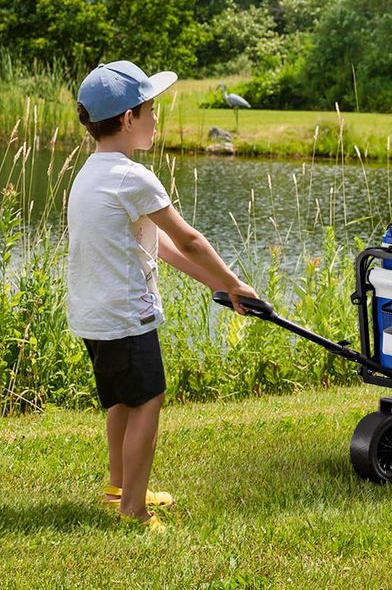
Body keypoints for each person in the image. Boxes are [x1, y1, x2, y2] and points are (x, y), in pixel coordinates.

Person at [67, 60, 257, 530]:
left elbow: (166, 249)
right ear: (128, 118)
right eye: (150, 109)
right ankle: (134, 508)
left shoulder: (91, 172)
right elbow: (189, 239)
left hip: (93, 315)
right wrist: (235, 281)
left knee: (122, 402)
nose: (155, 118)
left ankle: (118, 488)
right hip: (126, 316)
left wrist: (219, 287)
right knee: (148, 400)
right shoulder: (132, 177)